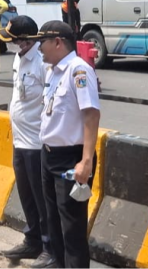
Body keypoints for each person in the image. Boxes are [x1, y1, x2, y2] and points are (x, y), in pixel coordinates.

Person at [36, 20, 100, 269]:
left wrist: (86, 161)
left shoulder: (79, 70)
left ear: (58, 42)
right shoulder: (53, 71)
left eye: (42, 43)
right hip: (49, 155)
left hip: (70, 158)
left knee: (72, 229)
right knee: (54, 224)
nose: (39, 48)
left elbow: (91, 116)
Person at [0, 16, 56, 269]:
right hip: (20, 140)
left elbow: (51, 102)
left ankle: (49, 247)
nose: (10, 44)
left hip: (36, 142)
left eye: (13, 40)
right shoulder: (19, 58)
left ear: (24, 41)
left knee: (43, 200)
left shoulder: (43, 63)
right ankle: (32, 240)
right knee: (26, 196)